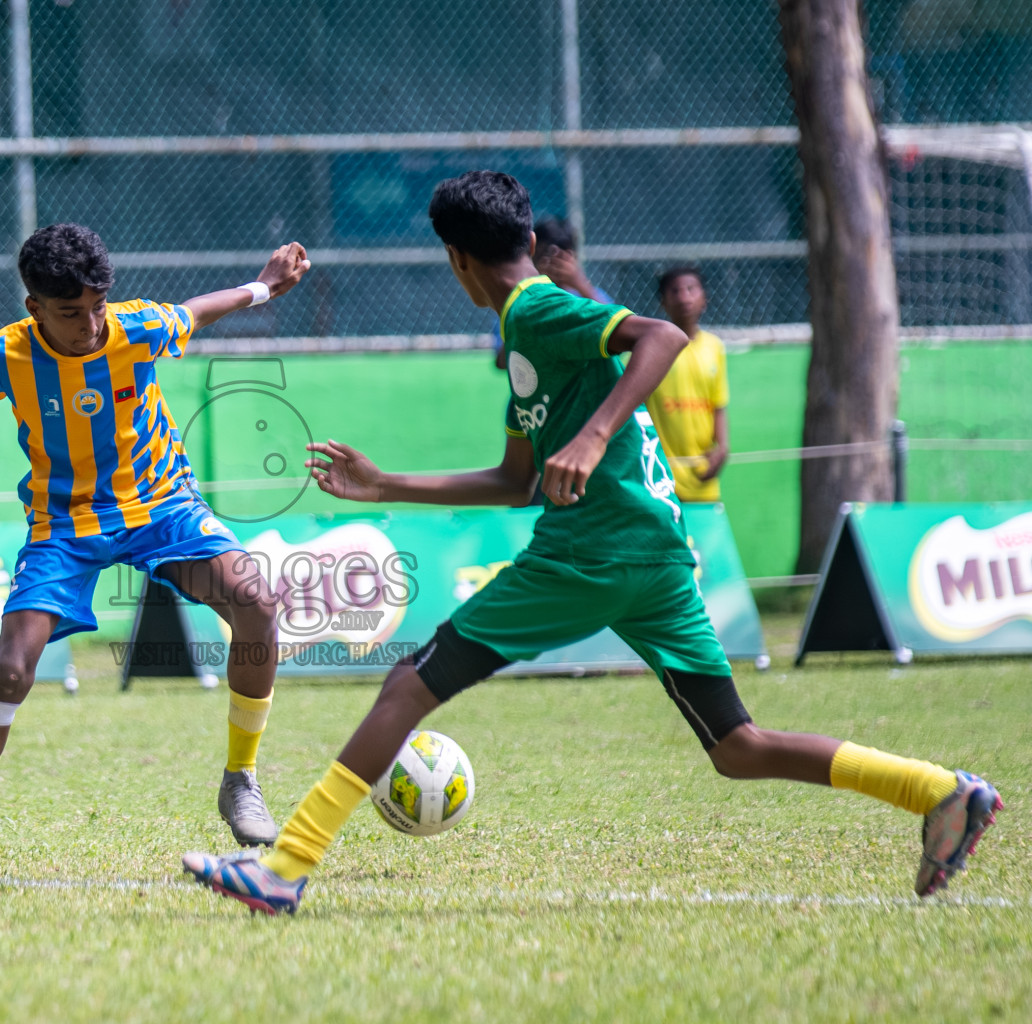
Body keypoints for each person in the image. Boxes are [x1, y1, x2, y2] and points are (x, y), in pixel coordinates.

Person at [180, 170, 1001, 914]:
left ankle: (283, 867)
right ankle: (939, 792)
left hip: (592, 552)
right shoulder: (525, 344)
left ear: (456, 260)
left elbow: (663, 339)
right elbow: (513, 480)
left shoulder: (537, 310)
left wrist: (594, 436)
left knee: (407, 686)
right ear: (530, 242)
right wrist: (388, 484)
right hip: (654, 557)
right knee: (738, 746)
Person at [0, 223, 312, 887]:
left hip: (160, 505)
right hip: (63, 524)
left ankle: (241, 779)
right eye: (70, 312)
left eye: (97, 306)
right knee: (10, 671)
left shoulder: (135, 328)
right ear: (35, 308)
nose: (90, 324)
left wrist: (265, 285)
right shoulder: (6, 354)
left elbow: (201, 309)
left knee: (257, 604)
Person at [643, 266, 729, 503]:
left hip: (703, 479)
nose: (684, 297)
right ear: (663, 302)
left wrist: (722, 448)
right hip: (660, 481)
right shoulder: (647, 350)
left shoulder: (715, 348)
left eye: (691, 289)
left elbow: (718, 404)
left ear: (704, 299)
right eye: (675, 291)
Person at [492, 217, 610, 370]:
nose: (552, 264)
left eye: (561, 258)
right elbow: (502, 363)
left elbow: (614, 331)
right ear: (531, 257)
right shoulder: (519, 302)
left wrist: (579, 283)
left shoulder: (588, 297)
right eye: (544, 255)